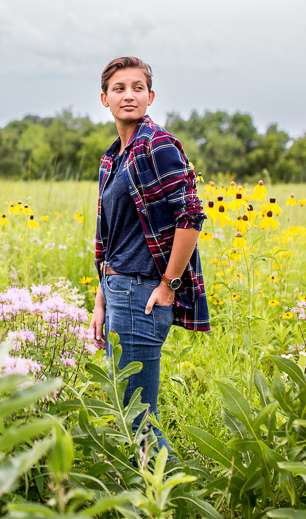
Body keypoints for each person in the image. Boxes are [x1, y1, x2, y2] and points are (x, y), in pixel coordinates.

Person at [89, 56, 210, 452]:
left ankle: (167, 501)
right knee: (126, 411)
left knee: (139, 420)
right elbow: (115, 236)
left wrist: (169, 285)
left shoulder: (157, 145)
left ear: (150, 96)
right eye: (119, 88)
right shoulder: (115, 157)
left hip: (143, 294)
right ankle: (141, 498)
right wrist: (101, 296)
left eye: (137, 88)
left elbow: (191, 215)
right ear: (104, 99)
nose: (129, 95)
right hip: (118, 289)